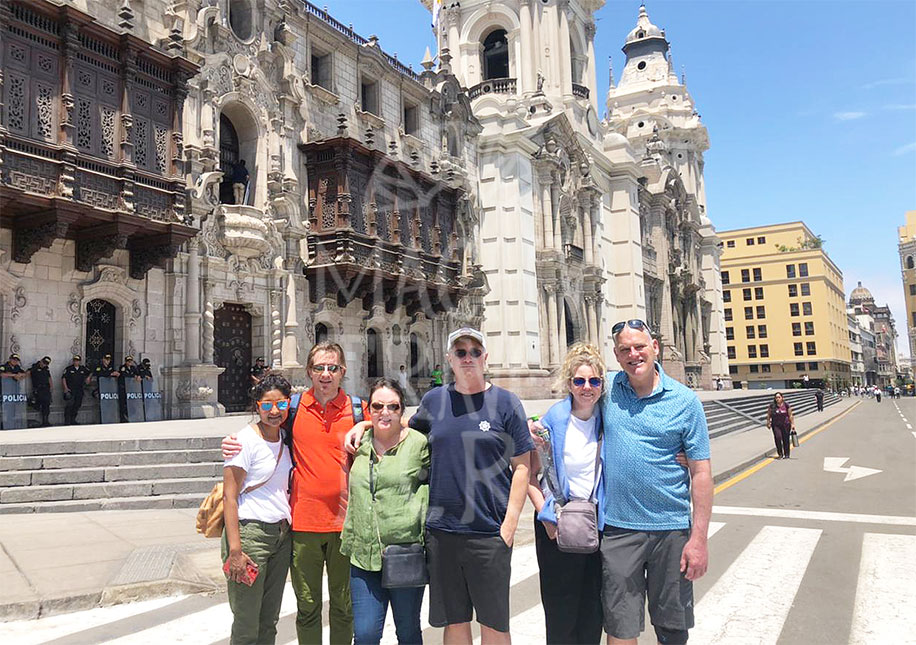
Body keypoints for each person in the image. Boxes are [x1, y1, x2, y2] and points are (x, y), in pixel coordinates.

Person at [347, 327, 534, 644]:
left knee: (494, 624)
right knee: (454, 621)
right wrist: (367, 421)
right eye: (460, 352)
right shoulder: (435, 400)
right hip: (442, 532)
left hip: (489, 532)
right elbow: (402, 425)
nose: (468, 358)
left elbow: (522, 466)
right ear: (449, 359)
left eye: (475, 352)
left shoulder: (506, 403)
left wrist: (510, 524)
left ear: (485, 358)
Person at [224, 342, 366, 644]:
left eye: (332, 368)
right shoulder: (295, 408)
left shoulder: (357, 409)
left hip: (346, 526)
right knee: (308, 607)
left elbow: (396, 425)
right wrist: (233, 440)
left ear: (343, 371)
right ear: (309, 372)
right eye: (319, 368)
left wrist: (366, 422)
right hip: (303, 526)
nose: (326, 374)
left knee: (343, 606)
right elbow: (265, 419)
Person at [599, 319, 712, 645]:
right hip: (619, 530)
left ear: (655, 349)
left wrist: (699, 539)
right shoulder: (606, 390)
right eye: (625, 350)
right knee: (620, 628)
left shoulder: (685, 401)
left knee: (673, 629)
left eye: (640, 347)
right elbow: (573, 400)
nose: (633, 355)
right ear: (617, 356)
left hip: (672, 531)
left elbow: (701, 473)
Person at [526, 343, 606, 644]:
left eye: (594, 381)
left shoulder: (609, 420)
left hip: (598, 525)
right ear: (568, 383)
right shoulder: (549, 423)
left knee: (592, 612)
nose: (587, 387)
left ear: (602, 384)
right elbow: (531, 478)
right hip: (556, 525)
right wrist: (545, 516)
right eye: (579, 380)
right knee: (560, 616)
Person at [340, 379, 428, 645]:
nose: (385, 412)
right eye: (377, 406)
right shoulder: (358, 442)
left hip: (404, 553)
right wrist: (363, 425)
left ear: (402, 411)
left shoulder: (418, 444)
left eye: (393, 406)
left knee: (408, 631)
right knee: (365, 635)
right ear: (369, 409)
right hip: (363, 553)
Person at [223, 373, 294, 645]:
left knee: (269, 620)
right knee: (246, 622)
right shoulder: (243, 441)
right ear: (257, 406)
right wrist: (236, 551)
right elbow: (229, 498)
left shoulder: (286, 438)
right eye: (267, 405)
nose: (274, 411)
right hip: (250, 536)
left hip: (281, 536)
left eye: (280, 404)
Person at [62, 355, 91, 425]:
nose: (76, 362)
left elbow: (90, 372)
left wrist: (88, 378)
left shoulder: (82, 369)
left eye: (77, 361)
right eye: (75, 360)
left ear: (80, 361)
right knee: (69, 405)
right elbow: (63, 378)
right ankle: (67, 421)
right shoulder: (69, 369)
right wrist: (65, 388)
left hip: (79, 389)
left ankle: (73, 419)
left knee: (77, 404)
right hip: (71, 389)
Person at [766, 392, 795, 460]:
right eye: (776, 397)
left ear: (782, 398)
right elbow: (768, 415)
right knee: (778, 438)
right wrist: (768, 422)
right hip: (776, 425)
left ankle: (787, 454)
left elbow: (790, 415)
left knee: (786, 439)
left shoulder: (786, 405)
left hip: (786, 424)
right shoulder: (772, 406)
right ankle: (780, 454)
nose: (777, 399)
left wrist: (792, 424)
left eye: (779, 397)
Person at [28, 356, 53, 427]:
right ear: (41, 361)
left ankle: (45, 421)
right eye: (44, 363)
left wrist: (51, 387)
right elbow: (28, 372)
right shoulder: (35, 367)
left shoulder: (46, 369)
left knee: (47, 405)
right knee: (37, 404)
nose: (44, 364)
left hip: (46, 389)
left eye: (46, 364)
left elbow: (49, 378)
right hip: (38, 389)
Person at [117, 356, 141, 422]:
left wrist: (138, 376)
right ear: (126, 361)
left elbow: (138, 373)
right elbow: (124, 375)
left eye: (131, 361)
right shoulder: (122, 367)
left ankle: (130, 416)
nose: (130, 362)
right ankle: (123, 418)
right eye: (128, 361)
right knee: (123, 403)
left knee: (132, 403)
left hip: (131, 388)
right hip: (123, 388)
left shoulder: (133, 368)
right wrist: (134, 376)